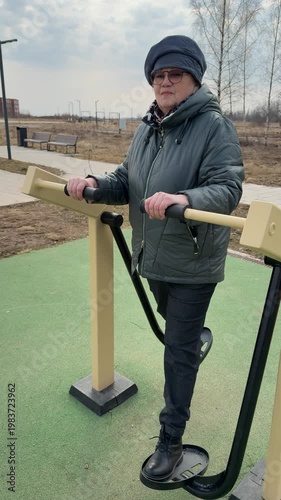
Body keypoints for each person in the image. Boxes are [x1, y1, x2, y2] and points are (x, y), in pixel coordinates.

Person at [66, 34, 244, 482]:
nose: (165, 82)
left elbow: (228, 187)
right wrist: (93, 182)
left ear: (193, 79)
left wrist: (184, 196)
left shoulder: (213, 126)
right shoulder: (149, 126)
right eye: (158, 75)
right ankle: (192, 336)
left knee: (177, 354)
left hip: (193, 259)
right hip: (153, 255)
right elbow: (128, 178)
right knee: (172, 324)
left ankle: (171, 440)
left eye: (175, 74)